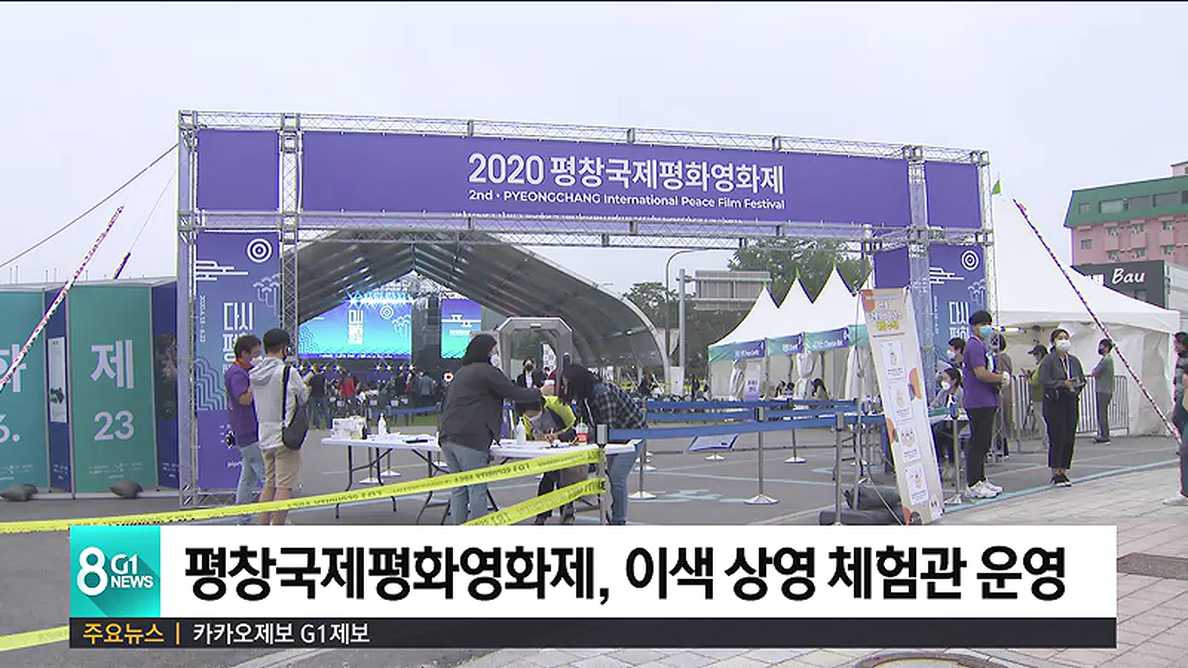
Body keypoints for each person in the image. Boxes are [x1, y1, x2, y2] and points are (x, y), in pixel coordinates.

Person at [438, 334, 542, 524]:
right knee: (476, 489)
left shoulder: (462, 372)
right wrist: (539, 392)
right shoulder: (487, 372)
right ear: (487, 352)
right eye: (494, 350)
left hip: (447, 435)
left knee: (459, 490)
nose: (496, 355)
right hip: (471, 437)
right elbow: (512, 392)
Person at [558, 364, 647, 525]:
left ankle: (619, 521)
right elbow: (581, 425)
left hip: (633, 435)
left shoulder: (602, 393)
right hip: (614, 439)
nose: (564, 388)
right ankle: (614, 516)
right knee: (613, 476)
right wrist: (560, 436)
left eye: (566, 384)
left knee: (617, 477)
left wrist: (586, 437)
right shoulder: (583, 399)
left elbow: (607, 427)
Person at [250, 328, 310, 526]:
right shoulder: (287, 372)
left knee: (269, 485)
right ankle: (277, 528)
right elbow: (303, 395)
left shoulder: (255, 373)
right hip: (285, 436)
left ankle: (263, 526)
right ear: (284, 348)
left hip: (264, 435)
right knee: (284, 487)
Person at [962, 310, 1008, 499]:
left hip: (987, 399)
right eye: (982, 324)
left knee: (984, 442)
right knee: (978, 442)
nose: (986, 327)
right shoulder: (974, 346)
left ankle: (980, 479)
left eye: (988, 324)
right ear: (974, 327)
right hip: (978, 401)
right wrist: (1000, 378)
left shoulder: (982, 346)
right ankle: (973, 483)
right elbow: (981, 373)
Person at [516, 392, 580, 524]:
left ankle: (559, 514)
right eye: (529, 416)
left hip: (569, 449)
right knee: (549, 476)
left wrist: (558, 436)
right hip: (548, 452)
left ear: (541, 406)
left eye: (534, 415)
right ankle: (553, 514)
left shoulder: (558, 405)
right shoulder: (525, 417)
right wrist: (536, 438)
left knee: (556, 477)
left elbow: (576, 427)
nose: (532, 418)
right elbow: (528, 436)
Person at [1038, 328, 1086, 487]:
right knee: (1057, 435)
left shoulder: (1073, 361)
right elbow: (1044, 380)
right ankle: (1055, 471)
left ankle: (1064, 469)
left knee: (1069, 435)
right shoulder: (1049, 360)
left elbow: (1082, 379)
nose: (1064, 341)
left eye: (1066, 338)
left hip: (1070, 400)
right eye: (1060, 338)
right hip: (1055, 401)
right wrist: (1061, 384)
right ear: (1053, 342)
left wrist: (1076, 385)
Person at [225, 334, 265, 516]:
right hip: (247, 432)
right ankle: (275, 518)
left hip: (251, 430)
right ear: (244, 353)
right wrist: (255, 382)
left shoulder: (245, 371)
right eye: (254, 355)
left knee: (247, 479)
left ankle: (243, 519)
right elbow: (244, 399)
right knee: (268, 478)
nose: (257, 358)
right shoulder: (237, 374)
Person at [930, 367, 964, 483]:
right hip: (942, 423)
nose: (943, 381)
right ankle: (942, 461)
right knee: (936, 433)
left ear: (954, 381)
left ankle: (953, 464)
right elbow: (934, 405)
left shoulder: (961, 393)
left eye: (945, 379)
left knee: (950, 435)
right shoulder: (942, 393)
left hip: (958, 424)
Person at [990, 334, 1014, 458]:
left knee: (999, 421)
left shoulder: (997, 359)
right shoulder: (1007, 358)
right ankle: (1003, 446)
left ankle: (1001, 447)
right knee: (1004, 419)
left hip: (1000, 391)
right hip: (1006, 392)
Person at [1088, 339, 1115, 444]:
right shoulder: (1108, 359)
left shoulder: (1106, 360)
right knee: (1103, 412)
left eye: (1101, 346)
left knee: (1101, 413)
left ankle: (1104, 435)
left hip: (1103, 389)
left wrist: (1094, 372)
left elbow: (1096, 372)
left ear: (1106, 347)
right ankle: (1103, 433)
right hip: (1106, 389)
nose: (1100, 348)